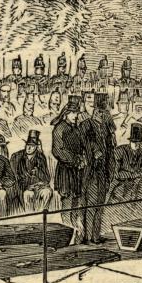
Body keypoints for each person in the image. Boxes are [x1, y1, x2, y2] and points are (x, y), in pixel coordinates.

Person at [80, 93, 116, 244]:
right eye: (100, 111)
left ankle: (95, 236)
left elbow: (110, 151)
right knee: (91, 205)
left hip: (103, 172)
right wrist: (94, 150)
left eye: (104, 112)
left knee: (99, 205)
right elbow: (86, 143)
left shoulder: (106, 129)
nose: (103, 114)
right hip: (92, 172)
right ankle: (87, 237)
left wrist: (110, 172)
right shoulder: (86, 125)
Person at [51, 99, 86, 234]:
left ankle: (77, 231)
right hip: (66, 171)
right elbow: (58, 150)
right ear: (66, 114)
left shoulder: (76, 128)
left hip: (78, 171)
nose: (75, 116)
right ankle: (67, 231)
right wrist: (76, 160)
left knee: (78, 201)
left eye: (76, 113)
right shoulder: (59, 128)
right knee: (67, 202)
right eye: (72, 113)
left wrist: (83, 158)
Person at [12, 130, 53, 213]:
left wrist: (39, 176)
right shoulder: (17, 156)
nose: (29, 148)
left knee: (47, 192)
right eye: (28, 145)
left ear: (37, 147)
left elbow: (47, 178)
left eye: (32, 146)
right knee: (28, 194)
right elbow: (15, 176)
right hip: (24, 187)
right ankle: (30, 216)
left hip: (38, 186)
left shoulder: (40, 157)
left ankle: (41, 214)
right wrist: (27, 185)